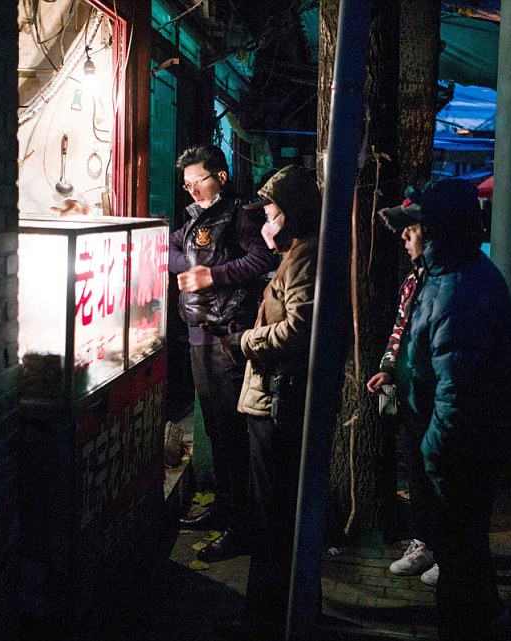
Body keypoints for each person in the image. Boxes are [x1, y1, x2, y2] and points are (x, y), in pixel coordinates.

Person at [389, 178, 511, 641]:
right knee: (467, 550)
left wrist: (433, 454)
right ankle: (487, 613)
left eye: (414, 227)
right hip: (468, 445)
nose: (405, 236)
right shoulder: (450, 273)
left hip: (463, 450)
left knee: (460, 562)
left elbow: (458, 398)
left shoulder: (458, 290)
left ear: (438, 230)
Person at [217, 165, 321, 638]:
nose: (268, 220)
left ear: (292, 213)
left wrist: (246, 342)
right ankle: (280, 609)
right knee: (275, 510)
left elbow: (299, 330)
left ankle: (264, 615)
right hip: (274, 395)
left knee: (271, 512)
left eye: (275, 211)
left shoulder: (305, 258)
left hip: (279, 399)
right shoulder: (295, 253)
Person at [168, 144, 278, 562]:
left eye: (200, 180)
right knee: (216, 430)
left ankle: (241, 526)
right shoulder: (196, 218)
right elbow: (171, 251)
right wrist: (188, 269)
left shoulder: (240, 216)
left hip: (229, 337)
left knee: (233, 434)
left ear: (222, 177)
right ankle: (225, 510)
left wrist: (211, 275)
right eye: (187, 184)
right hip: (198, 334)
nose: (193, 189)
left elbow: (261, 258)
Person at [365, 196, 439, 587]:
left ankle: (449, 548)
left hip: (439, 400)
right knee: (417, 472)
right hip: (413, 395)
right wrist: (389, 368)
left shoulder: (449, 282)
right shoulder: (415, 277)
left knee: (442, 476)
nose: (405, 236)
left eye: (413, 228)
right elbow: (400, 327)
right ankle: (425, 542)